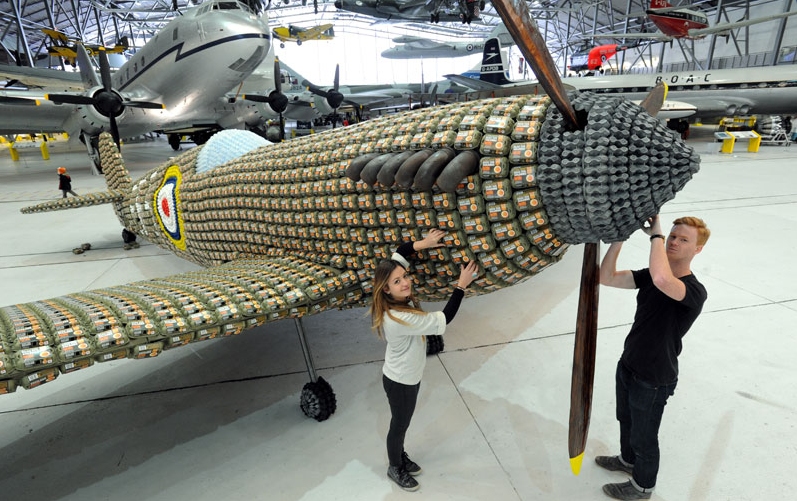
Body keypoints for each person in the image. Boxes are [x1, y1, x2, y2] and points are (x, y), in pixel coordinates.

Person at [596, 215, 710, 500]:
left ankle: (643, 487)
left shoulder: (694, 291)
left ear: (698, 250)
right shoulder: (650, 275)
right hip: (629, 363)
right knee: (626, 419)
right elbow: (606, 277)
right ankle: (627, 461)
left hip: (654, 377)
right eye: (672, 236)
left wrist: (655, 235)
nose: (673, 241)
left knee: (644, 437)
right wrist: (620, 237)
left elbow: (662, 279)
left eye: (683, 239)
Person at [370, 228, 479, 492]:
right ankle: (395, 466)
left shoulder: (397, 303)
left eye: (404, 276)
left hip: (406, 376)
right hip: (401, 381)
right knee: (400, 424)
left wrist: (425, 243)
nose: (405, 282)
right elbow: (444, 319)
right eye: (397, 282)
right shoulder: (400, 318)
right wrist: (461, 285)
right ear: (385, 289)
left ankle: (400, 456)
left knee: (402, 422)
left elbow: (401, 251)